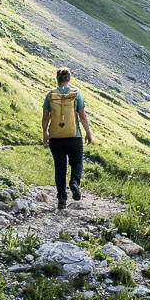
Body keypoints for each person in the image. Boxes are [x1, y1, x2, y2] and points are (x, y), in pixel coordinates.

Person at [41, 67, 93, 209]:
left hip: (55, 137)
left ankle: (62, 199)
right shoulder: (76, 94)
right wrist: (88, 132)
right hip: (73, 136)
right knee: (77, 162)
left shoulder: (50, 95)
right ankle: (74, 181)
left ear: (57, 79)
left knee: (60, 167)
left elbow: (45, 118)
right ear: (69, 79)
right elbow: (82, 116)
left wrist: (45, 133)